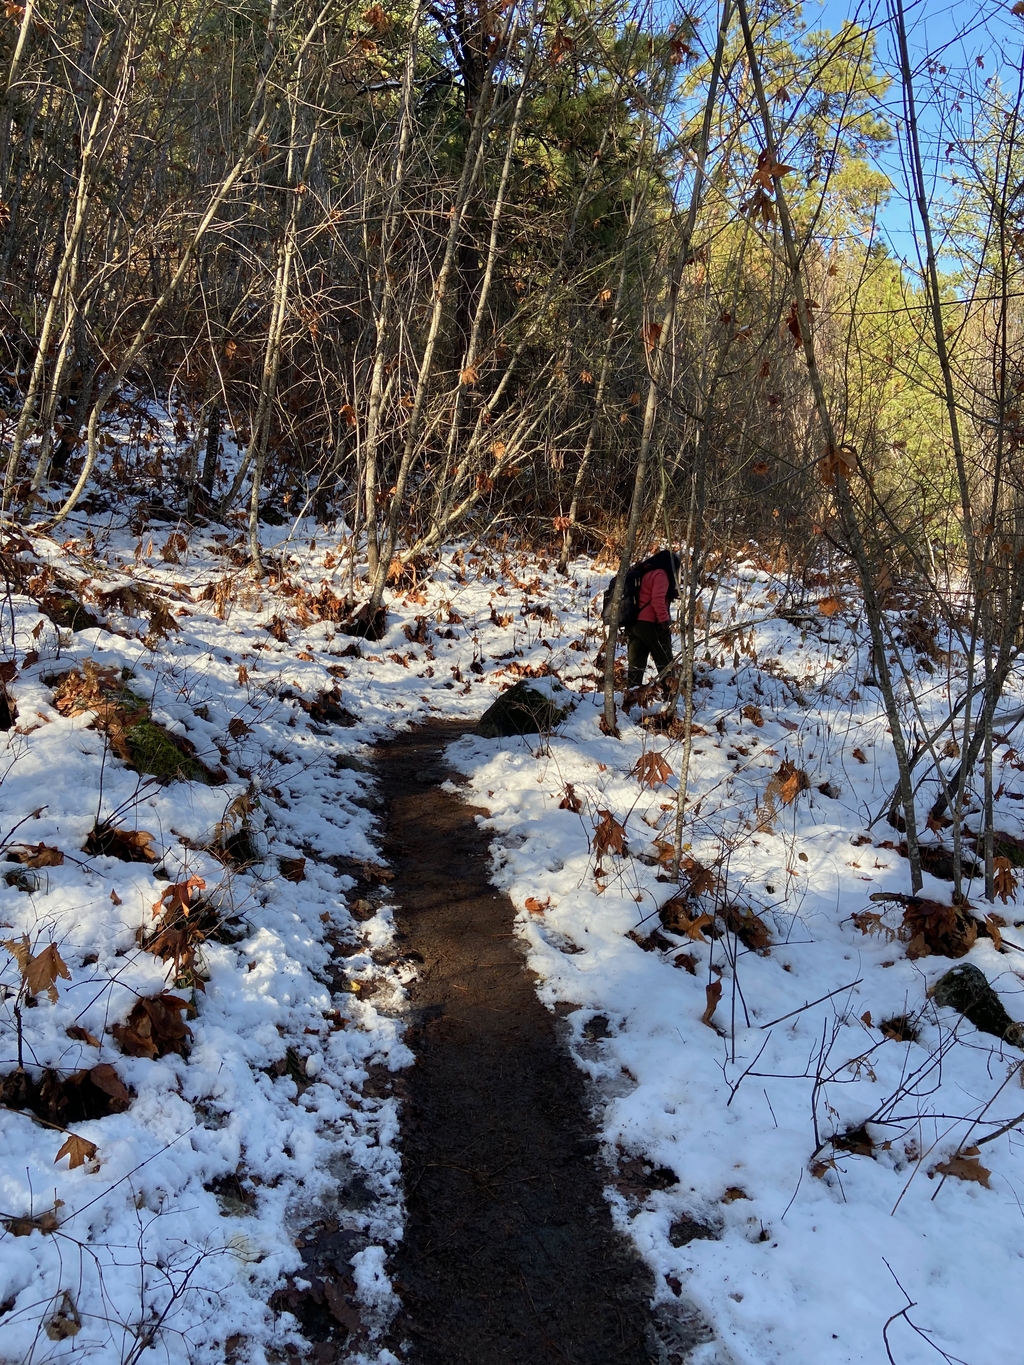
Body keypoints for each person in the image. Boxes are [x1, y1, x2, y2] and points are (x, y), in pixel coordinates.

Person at [626, 552, 678, 697]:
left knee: (636, 664)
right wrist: (664, 621)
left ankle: (632, 698)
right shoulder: (661, 574)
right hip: (651, 624)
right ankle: (670, 696)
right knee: (665, 661)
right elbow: (657, 599)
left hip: (633, 622)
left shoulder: (644, 572)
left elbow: (646, 594)